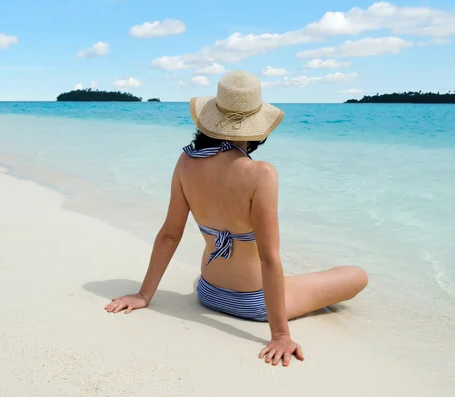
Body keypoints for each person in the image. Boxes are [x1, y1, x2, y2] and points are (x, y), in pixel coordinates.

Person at [105, 70, 368, 367]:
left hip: (207, 291)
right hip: (253, 303)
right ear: (258, 126)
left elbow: (169, 235)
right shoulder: (260, 174)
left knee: (290, 276)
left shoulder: (186, 161)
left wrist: (144, 294)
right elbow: (269, 258)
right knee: (356, 275)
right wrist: (280, 335)